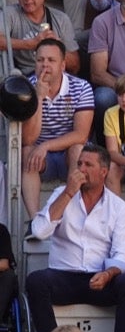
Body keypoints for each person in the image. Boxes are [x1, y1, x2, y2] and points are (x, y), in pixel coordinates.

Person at [27, 144, 125, 332]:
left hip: (98, 278)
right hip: (63, 276)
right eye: (79, 164)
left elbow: (122, 256)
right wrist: (68, 194)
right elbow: (39, 231)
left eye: (88, 165)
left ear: (104, 172)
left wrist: (108, 274)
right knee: (36, 281)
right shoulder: (61, 193)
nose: (82, 169)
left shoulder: (117, 206)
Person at [20, 39, 93, 217]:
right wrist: (38, 98)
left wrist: (46, 146)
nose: (45, 65)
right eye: (40, 60)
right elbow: (28, 139)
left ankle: (72, 215)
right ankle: (35, 220)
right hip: (40, 159)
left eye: (51, 60)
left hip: (67, 153)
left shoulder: (81, 87)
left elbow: (81, 135)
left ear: (63, 65)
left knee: (79, 149)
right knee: (26, 151)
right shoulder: (25, 89)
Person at [0, 0, 79, 76]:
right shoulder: (9, 13)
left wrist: (57, 46)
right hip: (24, 80)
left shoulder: (61, 19)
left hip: (54, 78)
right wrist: (30, 44)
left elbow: (75, 66)